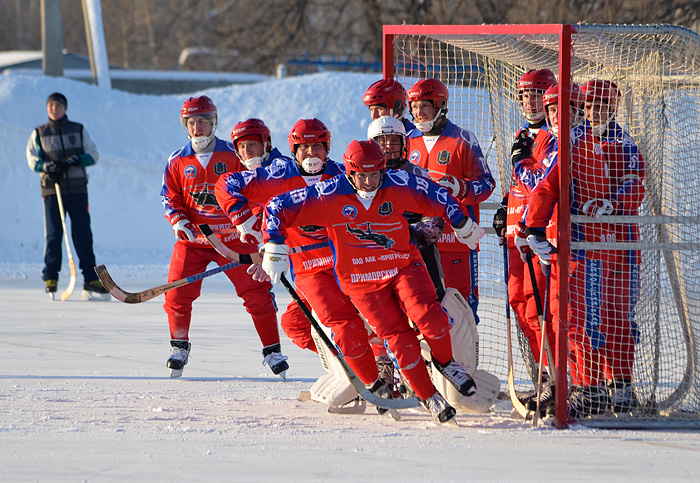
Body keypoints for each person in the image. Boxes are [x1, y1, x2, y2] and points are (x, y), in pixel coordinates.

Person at [260, 139, 486, 424]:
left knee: (431, 317)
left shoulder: (398, 183)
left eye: (375, 174)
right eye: (362, 175)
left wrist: (460, 220)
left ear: (383, 170)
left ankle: (446, 362)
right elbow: (277, 206)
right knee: (399, 341)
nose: (369, 182)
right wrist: (274, 247)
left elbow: (436, 194)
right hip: (361, 280)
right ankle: (429, 396)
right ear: (350, 173)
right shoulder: (329, 192)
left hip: (402, 264)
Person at [215, 118, 387, 408]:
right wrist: (246, 222)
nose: (311, 154)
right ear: (294, 149)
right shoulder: (278, 174)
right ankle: (357, 363)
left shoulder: (343, 174)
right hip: (308, 270)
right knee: (296, 324)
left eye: (317, 148)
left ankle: (375, 367)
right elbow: (226, 184)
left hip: (348, 267)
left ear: (327, 148)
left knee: (353, 321)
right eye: (304, 148)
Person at [160, 95, 287, 379]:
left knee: (257, 293)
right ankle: (179, 346)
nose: (197, 128)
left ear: (213, 122)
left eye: (202, 121)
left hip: (234, 239)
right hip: (194, 241)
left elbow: (257, 190)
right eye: (191, 122)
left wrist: (254, 224)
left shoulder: (235, 154)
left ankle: (273, 351)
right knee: (178, 292)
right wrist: (178, 219)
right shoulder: (178, 160)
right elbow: (170, 197)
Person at [516, 83, 615, 419]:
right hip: (568, 243)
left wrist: (532, 225)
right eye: (553, 109)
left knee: (579, 320)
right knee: (562, 317)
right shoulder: (566, 142)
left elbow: (546, 186)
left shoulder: (577, 143)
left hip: (583, 244)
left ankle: (589, 389)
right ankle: (572, 385)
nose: (559, 115)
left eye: (566, 108)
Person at [492, 69, 558, 412]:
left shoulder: (554, 135)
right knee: (518, 303)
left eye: (536, 95)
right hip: (517, 231)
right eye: (523, 96)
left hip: (540, 233)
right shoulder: (522, 133)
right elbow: (519, 183)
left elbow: (541, 184)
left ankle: (558, 377)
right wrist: (506, 206)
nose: (529, 102)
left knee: (538, 306)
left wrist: (521, 162)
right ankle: (545, 375)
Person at [405, 78, 495, 322]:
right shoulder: (406, 141)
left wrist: (461, 187)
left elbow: (487, 184)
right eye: (414, 107)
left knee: (462, 310)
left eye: (424, 106)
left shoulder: (463, 140)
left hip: (456, 242)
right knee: (421, 310)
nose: (418, 112)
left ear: (440, 105)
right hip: (418, 242)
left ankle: (465, 359)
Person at [581, 79, 645, 413]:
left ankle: (620, 383)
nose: (593, 112)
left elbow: (636, 185)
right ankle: (587, 385)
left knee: (620, 316)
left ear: (613, 108)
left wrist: (613, 204)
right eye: (588, 106)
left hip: (622, 246)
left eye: (600, 106)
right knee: (591, 318)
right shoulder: (575, 140)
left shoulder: (623, 142)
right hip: (588, 246)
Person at [26, 92, 109, 301]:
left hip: (77, 189)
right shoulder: (39, 132)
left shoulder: (78, 129)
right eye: (50, 106)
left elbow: (94, 155)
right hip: (52, 190)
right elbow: (32, 158)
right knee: (54, 234)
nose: (54, 109)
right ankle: (51, 277)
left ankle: (90, 279)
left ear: (65, 108)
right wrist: (46, 166)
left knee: (82, 235)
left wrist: (76, 160)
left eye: (58, 105)